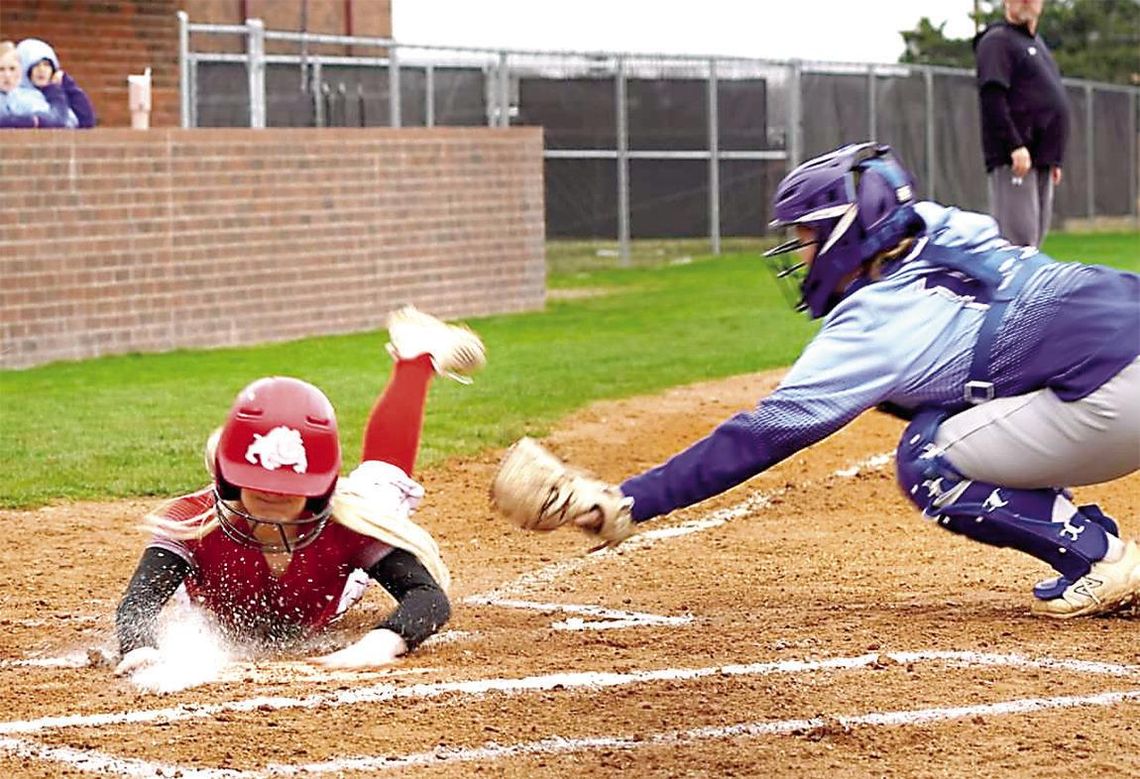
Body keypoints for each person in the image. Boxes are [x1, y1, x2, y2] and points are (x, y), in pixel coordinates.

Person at [562, 142, 1139, 619]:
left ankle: (1102, 558)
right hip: (1121, 334)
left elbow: (762, 435)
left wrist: (633, 499)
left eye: (808, 237)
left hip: (1116, 393)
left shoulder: (872, 322)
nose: (801, 253)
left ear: (845, 235)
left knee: (928, 457)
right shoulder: (947, 227)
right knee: (959, 408)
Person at [113, 306, 486, 677]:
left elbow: (427, 597)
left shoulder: (346, 524)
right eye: (258, 484)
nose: (274, 496)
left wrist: (383, 642)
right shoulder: (193, 520)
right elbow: (139, 604)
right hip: (218, 587)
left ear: (322, 487)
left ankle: (416, 358)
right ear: (228, 479)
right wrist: (141, 648)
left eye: (291, 488)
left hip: (342, 536)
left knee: (383, 479)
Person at [973, 0, 1068, 248]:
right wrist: (1014, 145)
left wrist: (1054, 157)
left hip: (1042, 158)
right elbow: (992, 97)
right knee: (1018, 245)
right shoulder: (997, 41)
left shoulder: (1037, 44)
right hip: (1016, 159)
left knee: (1034, 243)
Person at [4, 38, 96, 129]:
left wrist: (68, 85)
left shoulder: (53, 92)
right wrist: (55, 91)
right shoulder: (17, 96)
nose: (42, 70)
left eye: (46, 65)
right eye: (36, 65)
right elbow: (56, 121)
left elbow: (87, 121)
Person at [0, 40, 68, 128]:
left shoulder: (30, 96)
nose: (7, 75)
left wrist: (56, 88)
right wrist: (31, 121)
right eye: (1, 69)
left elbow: (57, 120)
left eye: (12, 69)